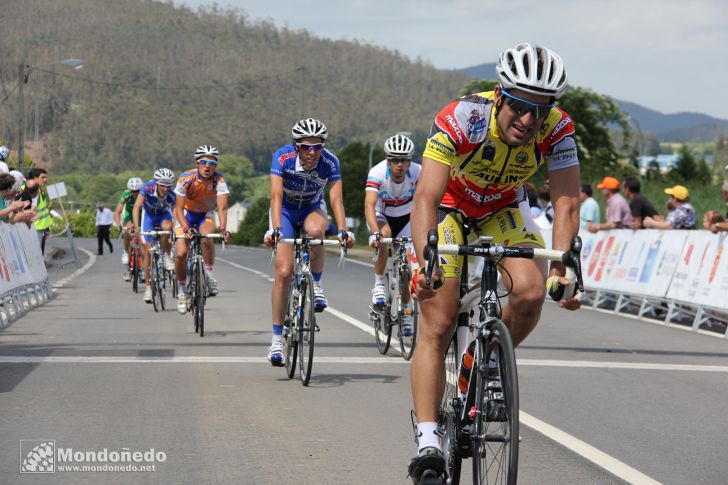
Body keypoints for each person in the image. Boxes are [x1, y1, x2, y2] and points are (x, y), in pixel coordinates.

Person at [407, 42, 581, 480]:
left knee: (531, 292)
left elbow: (566, 204)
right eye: (520, 107)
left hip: (502, 211)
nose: (529, 121)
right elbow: (425, 197)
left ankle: (481, 363)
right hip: (447, 210)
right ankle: (428, 440)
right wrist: (425, 259)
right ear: (500, 95)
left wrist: (565, 267)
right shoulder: (462, 118)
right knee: (440, 320)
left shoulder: (557, 129)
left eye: (540, 111)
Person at [263, 118, 354, 366]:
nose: (312, 152)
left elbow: (336, 199)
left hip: (312, 207)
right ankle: (277, 339)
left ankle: (316, 283)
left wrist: (344, 230)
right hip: (286, 211)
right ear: (296, 146)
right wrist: (277, 229)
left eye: (317, 147)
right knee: (283, 272)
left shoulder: (330, 162)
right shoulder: (282, 158)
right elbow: (276, 195)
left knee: (317, 232)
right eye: (305, 147)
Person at [364, 133, 420, 336]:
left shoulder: (417, 172)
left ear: (409, 161)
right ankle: (379, 283)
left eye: (403, 160)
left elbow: (425, 202)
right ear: (388, 160)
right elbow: (369, 205)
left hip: (406, 217)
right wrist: (375, 233)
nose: (399, 165)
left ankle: (406, 311)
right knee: (385, 237)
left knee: (407, 265)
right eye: (395, 160)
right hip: (383, 215)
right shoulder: (377, 172)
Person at [173, 145, 230, 314]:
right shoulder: (185, 178)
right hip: (186, 214)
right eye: (203, 162)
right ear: (197, 163)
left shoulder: (219, 181)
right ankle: (183, 291)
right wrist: (185, 227)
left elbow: (223, 208)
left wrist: (223, 228)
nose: (207, 166)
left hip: (205, 214)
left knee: (206, 237)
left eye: (211, 163)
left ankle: (210, 276)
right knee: (181, 254)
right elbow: (178, 208)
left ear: (216, 165)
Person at [133, 168, 177, 303]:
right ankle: (148, 287)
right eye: (163, 185)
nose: (165, 188)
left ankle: (165, 255)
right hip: (149, 217)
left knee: (167, 227)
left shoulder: (171, 194)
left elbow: (175, 212)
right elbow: (136, 207)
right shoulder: (147, 188)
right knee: (146, 250)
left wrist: (176, 227)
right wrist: (136, 227)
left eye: (168, 185)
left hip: (163, 215)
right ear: (157, 183)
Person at [18, 168, 52, 253]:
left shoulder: (41, 190)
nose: (45, 180)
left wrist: (46, 228)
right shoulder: (31, 189)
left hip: (40, 228)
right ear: (34, 178)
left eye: (46, 177)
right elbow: (30, 208)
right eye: (43, 177)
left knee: (38, 256)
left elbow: (43, 210)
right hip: (33, 228)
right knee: (36, 255)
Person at [115, 177, 143, 279]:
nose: (135, 193)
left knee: (143, 241)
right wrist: (119, 225)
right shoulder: (126, 194)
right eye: (133, 191)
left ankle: (144, 268)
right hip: (129, 215)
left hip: (141, 216)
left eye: (137, 191)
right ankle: (126, 252)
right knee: (127, 229)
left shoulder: (144, 195)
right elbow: (117, 212)